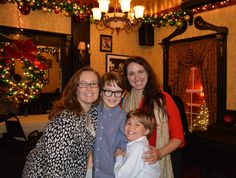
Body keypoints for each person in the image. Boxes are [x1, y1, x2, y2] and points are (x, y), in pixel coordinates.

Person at [22, 66, 101, 178]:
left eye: (94, 83)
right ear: (75, 89)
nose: (89, 88)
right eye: (83, 84)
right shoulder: (64, 120)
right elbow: (54, 167)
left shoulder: (92, 112)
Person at [122, 56, 185, 178]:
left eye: (140, 71)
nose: (137, 78)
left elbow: (178, 137)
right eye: (131, 73)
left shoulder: (164, 100)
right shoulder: (125, 101)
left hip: (165, 159)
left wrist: (159, 153)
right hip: (134, 162)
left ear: (148, 73)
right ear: (127, 77)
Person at [92, 72, 127, 178]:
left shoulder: (124, 118)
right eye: (108, 91)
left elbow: (124, 146)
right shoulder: (92, 112)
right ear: (101, 93)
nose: (113, 96)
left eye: (117, 92)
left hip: (111, 174)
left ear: (123, 94)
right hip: (90, 172)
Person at [114, 110, 160, 178]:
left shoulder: (138, 147)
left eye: (137, 125)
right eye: (129, 123)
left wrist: (119, 157)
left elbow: (122, 176)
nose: (131, 127)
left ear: (146, 131)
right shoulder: (139, 145)